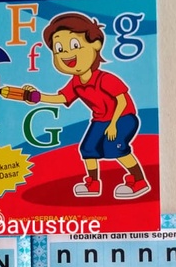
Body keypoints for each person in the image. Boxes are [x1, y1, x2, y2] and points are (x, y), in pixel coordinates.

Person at [25, 12, 150, 199]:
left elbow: (122, 100)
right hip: (100, 120)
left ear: (96, 45)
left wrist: (113, 124)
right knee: (87, 148)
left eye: (75, 45)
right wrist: (36, 96)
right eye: (58, 49)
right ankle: (93, 183)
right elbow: (61, 98)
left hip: (123, 117)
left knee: (114, 147)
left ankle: (139, 180)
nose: (66, 54)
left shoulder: (105, 79)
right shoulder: (76, 82)